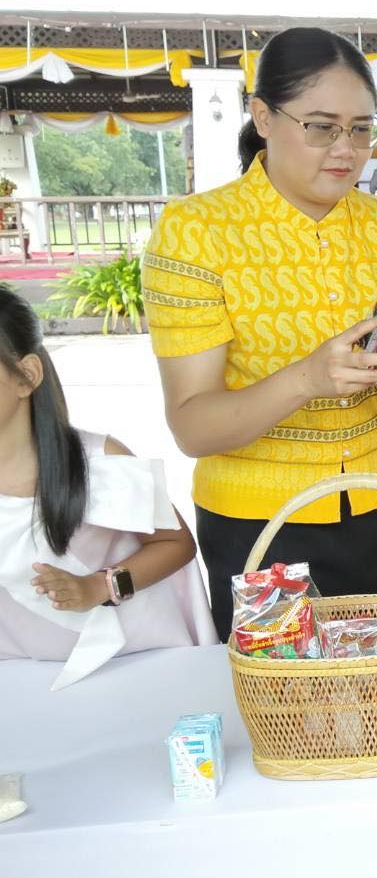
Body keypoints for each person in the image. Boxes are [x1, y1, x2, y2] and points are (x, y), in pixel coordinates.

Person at [142, 26, 377, 642]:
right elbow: (194, 427)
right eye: (320, 125)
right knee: (286, 717)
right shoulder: (196, 232)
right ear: (262, 116)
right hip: (258, 525)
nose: (346, 149)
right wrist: (310, 377)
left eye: (362, 128)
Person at [0, 292, 211, 689]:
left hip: (133, 668)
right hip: (21, 681)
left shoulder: (100, 460)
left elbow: (176, 544)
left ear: (26, 376)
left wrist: (97, 586)